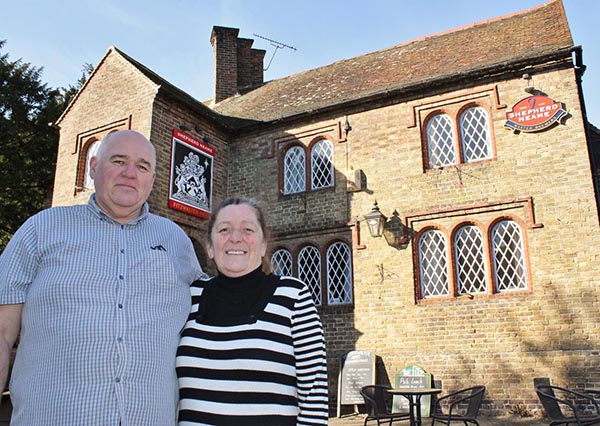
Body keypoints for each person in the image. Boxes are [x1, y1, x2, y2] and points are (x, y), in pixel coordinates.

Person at [0, 130, 206, 425]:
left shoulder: (175, 240)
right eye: (118, 161)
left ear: (153, 180)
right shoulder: (42, 229)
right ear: (93, 167)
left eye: (142, 166)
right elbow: (3, 331)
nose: (130, 173)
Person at [176, 196, 329, 425]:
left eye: (247, 229)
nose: (235, 238)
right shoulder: (188, 296)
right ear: (209, 246)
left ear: (264, 244)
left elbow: (314, 399)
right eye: (224, 229)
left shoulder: (293, 296)